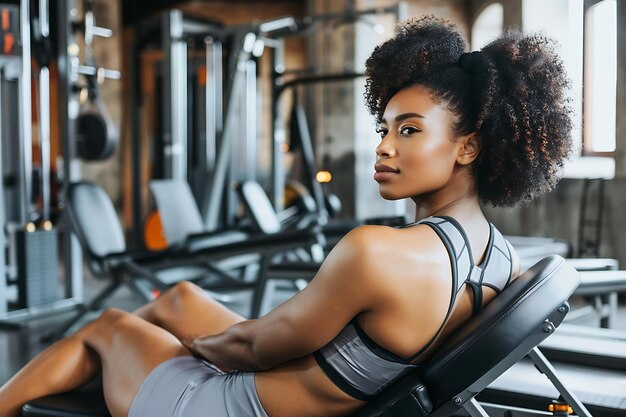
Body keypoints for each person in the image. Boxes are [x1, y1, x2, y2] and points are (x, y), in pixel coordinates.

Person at [0, 15, 572, 417]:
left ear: (468, 147)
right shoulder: (499, 256)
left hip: (232, 407)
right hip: (303, 391)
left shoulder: (377, 252)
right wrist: (197, 330)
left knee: (108, 328)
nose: (384, 147)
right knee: (177, 298)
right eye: (385, 128)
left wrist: (192, 347)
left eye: (409, 130)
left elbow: (251, 352)